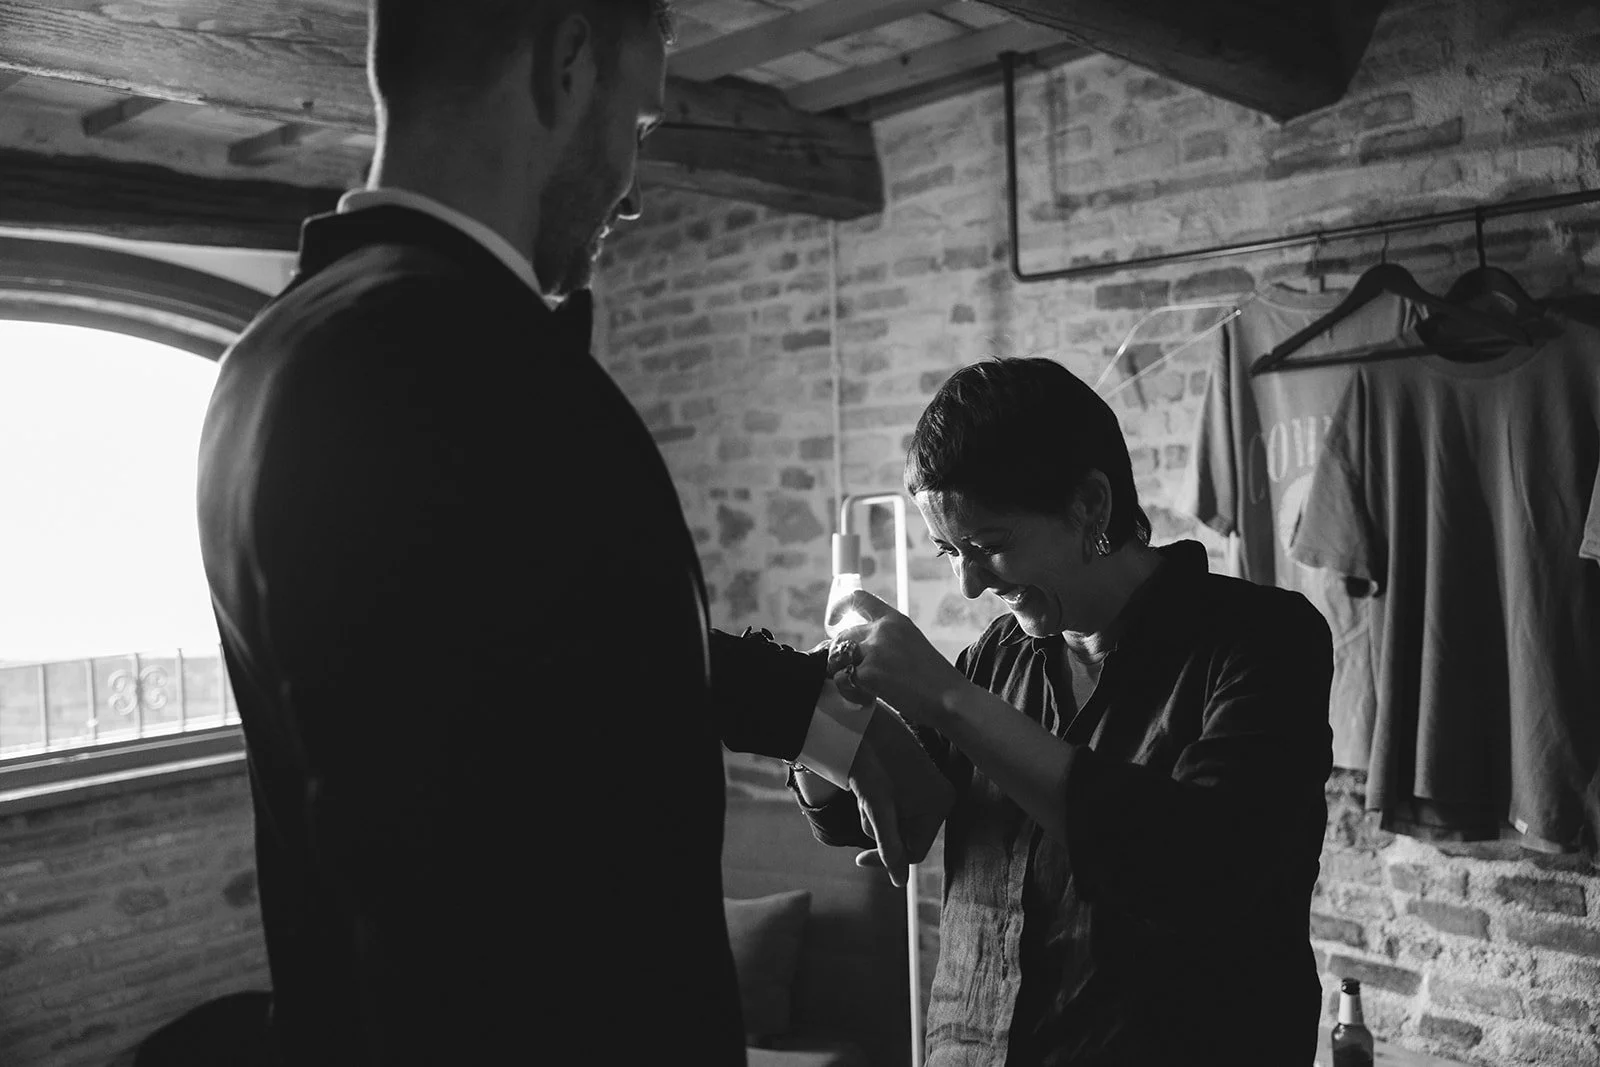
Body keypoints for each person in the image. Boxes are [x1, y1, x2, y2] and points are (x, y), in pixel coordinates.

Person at [195, 2, 949, 1064]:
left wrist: (822, 714)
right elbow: (469, 867)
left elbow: (553, 655)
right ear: (566, 60)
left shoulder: (279, 351)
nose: (631, 193)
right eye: (637, 127)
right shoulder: (448, 357)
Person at [794, 357, 1335, 1065]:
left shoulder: (1265, 639)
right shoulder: (1000, 654)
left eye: (988, 545)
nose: (968, 583)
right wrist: (826, 709)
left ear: (1090, 505)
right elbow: (856, 815)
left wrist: (949, 699)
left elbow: (1200, 870)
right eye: (948, 549)